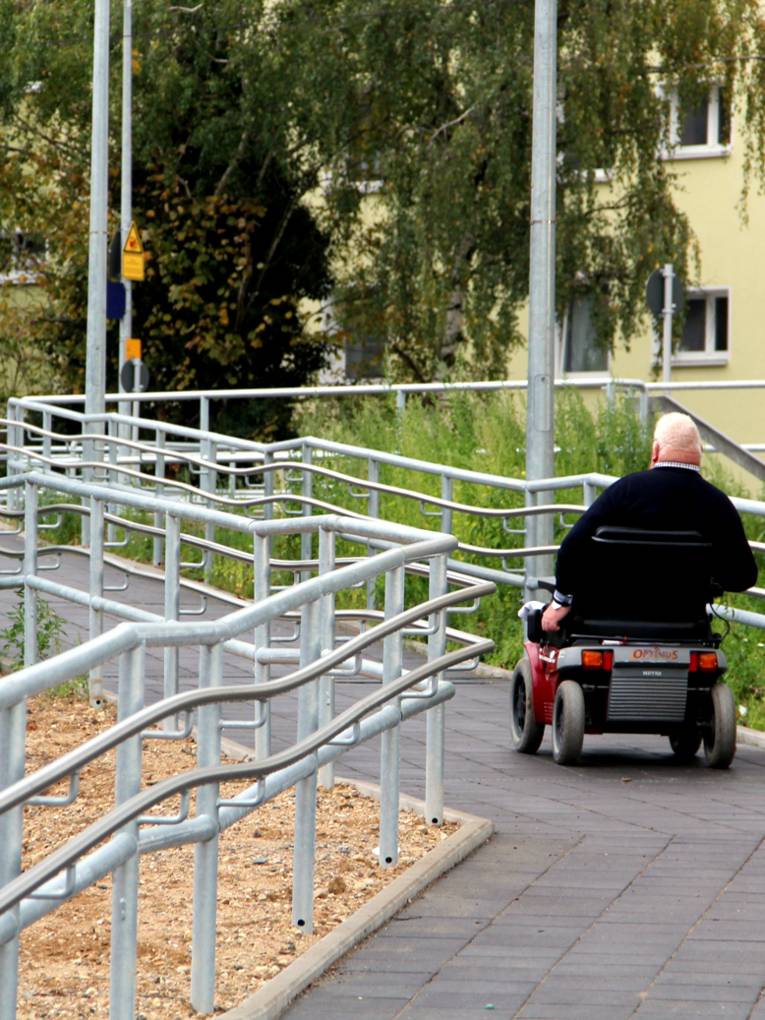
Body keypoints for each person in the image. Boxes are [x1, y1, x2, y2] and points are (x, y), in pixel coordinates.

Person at [541, 412, 758, 633]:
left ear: (655, 450)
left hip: (611, 621)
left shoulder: (625, 491)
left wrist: (561, 602)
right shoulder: (717, 503)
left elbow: (572, 547)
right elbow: (744, 577)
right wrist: (707, 578)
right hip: (686, 624)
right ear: (699, 452)